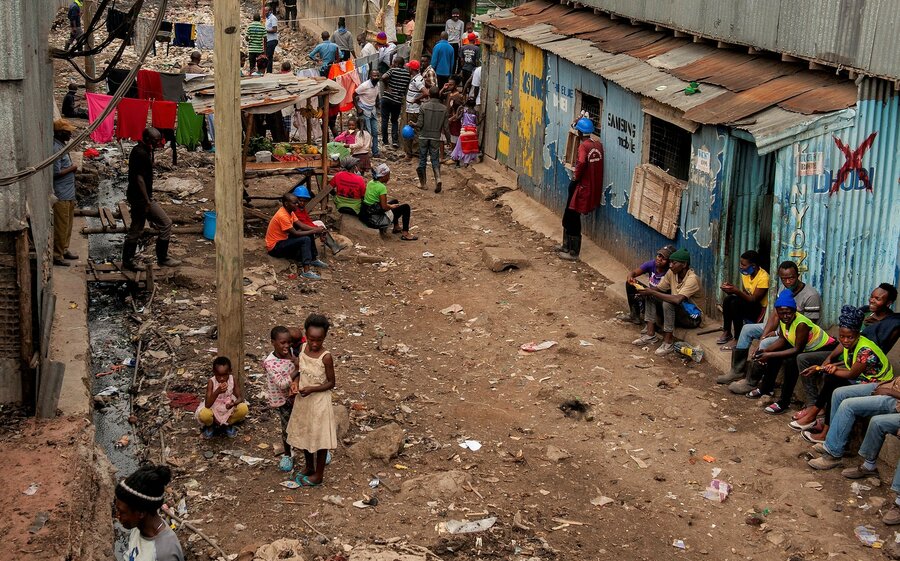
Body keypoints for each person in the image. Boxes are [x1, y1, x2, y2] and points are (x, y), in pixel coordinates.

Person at [791, 283, 899, 425]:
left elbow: (867, 358)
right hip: (846, 357)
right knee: (803, 359)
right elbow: (845, 338)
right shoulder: (863, 313)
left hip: (862, 365)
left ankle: (818, 414)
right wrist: (829, 359)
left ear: (889, 303)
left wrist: (832, 366)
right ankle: (813, 405)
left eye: (878, 299)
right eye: (872, 297)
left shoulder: (891, 324)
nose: (872, 300)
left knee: (831, 378)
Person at [721, 261, 822, 391]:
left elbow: (807, 328)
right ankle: (737, 370)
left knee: (765, 345)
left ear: (798, 275)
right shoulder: (783, 289)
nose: (788, 282)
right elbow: (775, 315)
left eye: (791, 278)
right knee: (747, 330)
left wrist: (774, 334)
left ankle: (751, 382)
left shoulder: (811, 296)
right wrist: (763, 336)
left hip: (797, 336)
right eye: (784, 279)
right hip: (783, 328)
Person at [746, 290, 837, 415]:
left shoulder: (801, 324)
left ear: (795, 311)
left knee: (792, 362)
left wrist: (769, 354)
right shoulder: (784, 321)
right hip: (806, 349)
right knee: (775, 354)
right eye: (782, 313)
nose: (785, 316)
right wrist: (765, 351)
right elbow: (782, 340)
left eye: (789, 313)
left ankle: (784, 401)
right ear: (777, 313)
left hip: (825, 350)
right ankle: (766, 388)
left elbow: (797, 349)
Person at [807, 366, 897, 477]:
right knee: (839, 393)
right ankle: (835, 442)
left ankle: (832, 455)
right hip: (890, 385)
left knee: (848, 405)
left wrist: (890, 392)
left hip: (896, 398)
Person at [287, 313, 337, 486]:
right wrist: (295, 382)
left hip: (319, 402)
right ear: (306, 336)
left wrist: (312, 389)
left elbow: (331, 383)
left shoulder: (326, 357)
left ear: (324, 338)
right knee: (305, 434)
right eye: (311, 339)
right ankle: (309, 467)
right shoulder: (302, 349)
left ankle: (319, 474)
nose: (314, 344)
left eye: (319, 340)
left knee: (320, 438)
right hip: (303, 399)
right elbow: (300, 370)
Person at [123, 127, 181, 271]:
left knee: (136, 228)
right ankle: (161, 258)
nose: (158, 143)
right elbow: (139, 178)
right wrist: (148, 202)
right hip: (140, 198)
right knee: (164, 223)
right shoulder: (141, 153)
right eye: (156, 140)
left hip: (139, 196)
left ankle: (129, 259)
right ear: (148, 139)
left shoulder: (144, 150)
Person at [633, 249, 703, 355]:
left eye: (674, 263)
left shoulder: (692, 279)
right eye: (670, 262)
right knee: (650, 295)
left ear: (684, 264)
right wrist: (645, 292)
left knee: (668, 302)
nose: (670, 265)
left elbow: (677, 299)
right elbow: (659, 289)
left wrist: (652, 292)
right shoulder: (672, 273)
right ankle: (650, 335)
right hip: (679, 312)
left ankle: (668, 343)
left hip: (692, 318)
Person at [115, 465, 184, 561]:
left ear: (141, 513)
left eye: (122, 512)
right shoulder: (138, 528)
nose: (117, 516)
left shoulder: (164, 554)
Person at [558, 117, 603, 261]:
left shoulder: (584, 146)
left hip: (581, 186)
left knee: (572, 216)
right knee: (570, 215)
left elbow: (582, 162)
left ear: (580, 132)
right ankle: (566, 246)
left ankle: (573, 252)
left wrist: (575, 176)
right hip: (590, 187)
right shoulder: (598, 145)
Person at [265, 193, 328, 280]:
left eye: (297, 202)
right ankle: (306, 271)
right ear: (287, 204)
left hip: (283, 240)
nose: (297, 204)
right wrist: (314, 230)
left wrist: (316, 228)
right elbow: (295, 233)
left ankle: (313, 259)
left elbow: (301, 225)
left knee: (308, 233)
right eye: (294, 203)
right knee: (305, 239)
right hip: (275, 247)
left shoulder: (290, 212)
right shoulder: (282, 215)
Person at [718, 250, 769, 348]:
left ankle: (738, 338)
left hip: (759, 309)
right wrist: (731, 290)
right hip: (749, 304)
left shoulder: (764, 277)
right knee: (728, 299)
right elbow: (746, 293)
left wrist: (736, 291)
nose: (741, 266)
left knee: (735, 304)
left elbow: (754, 300)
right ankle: (727, 331)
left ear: (753, 266)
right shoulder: (746, 274)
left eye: (743, 264)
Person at [265, 325, 299, 472]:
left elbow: (301, 335)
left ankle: (315, 450)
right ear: (273, 342)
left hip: (298, 396)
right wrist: (298, 369)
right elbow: (282, 383)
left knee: (305, 422)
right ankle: (287, 454)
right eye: (282, 343)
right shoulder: (270, 363)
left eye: (288, 342)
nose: (286, 346)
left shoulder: (292, 352)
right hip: (283, 400)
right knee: (286, 427)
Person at [196, 356, 249, 439]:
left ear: (230, 371)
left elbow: (240, 398)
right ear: (214, 372)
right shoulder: (211, 382)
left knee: (244, 408)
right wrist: (217, 392)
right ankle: (212, 425)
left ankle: (227, 424)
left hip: (228, 408)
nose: (222, 379)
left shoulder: (232, 379)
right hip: (214, 407)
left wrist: (233, 403)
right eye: (219, 375)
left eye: (225, 375)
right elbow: (207, 405)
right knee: (204, 415)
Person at [361, 163, 417, 240]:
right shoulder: (381, 187)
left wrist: (391, 206)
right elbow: (384, 207)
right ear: (383, 176)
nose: (389, 178)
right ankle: (405, 234)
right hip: (376, 219)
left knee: (395, 201)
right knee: (406, 207)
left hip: (368, 212)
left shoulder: (371, 182)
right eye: (388, 175)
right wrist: (391, 206)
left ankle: (396, 227)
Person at [624, 245, 676, 324]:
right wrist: (630, 276)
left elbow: (665, 293)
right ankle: (634, 316)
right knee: (630, 284)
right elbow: (634, 272)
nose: (659, 259)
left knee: (651, 295)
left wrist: (646, 293)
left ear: (670, 262)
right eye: (659, 256)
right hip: (650, 294)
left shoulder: (670, 272)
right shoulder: (652, 264)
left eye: (664, 258)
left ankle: (652, 325)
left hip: (661, 299)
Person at [51, 120, 79, 267]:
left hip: (68, 193)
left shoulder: (62, 146)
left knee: (68, 225)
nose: (70, 134)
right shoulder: (56, 148)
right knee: (61, 226)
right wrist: (72, 168)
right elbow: (55, 173)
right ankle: (57, 254)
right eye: (67, 132)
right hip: (61, 193)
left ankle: (64, 249)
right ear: (60, 133)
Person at [413, 87, 449, 193]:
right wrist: (448, 140)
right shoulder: (444, 108)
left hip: (424, 136)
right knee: (435, 159)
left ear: (429, 95)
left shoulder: (423, 107)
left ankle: (423, 183)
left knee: (422, 159)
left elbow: (419, 124)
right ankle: (438, 178)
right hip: (435, 137)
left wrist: (413, 124)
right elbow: (446, 128)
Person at [290, 185, 344, 255]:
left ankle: (334, 246)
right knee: (318, 228)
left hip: (302, 226)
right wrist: (316, 229)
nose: (302, 203)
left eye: (304, 201)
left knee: (319, 223)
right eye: (300, 200)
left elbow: (307, 220)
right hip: (296, 229)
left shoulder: (301, 208)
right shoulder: (295, 210)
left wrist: (317, 228)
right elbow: (303, 224)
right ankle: (333, 247)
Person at [381, 57, 409, 149]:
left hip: (387, 98)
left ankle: (385, 141)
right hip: (397, 100)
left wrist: (387, 86)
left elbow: (383, 77)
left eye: (393, 62)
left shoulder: (392, 70)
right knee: (394, 121)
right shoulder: (407, 74)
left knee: (385, 120)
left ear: (396, 63)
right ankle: (395, 141)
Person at [353, 69, 380, 158]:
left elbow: (376, 96)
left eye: (377, 75)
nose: (376, 77)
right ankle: (365, 152)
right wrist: (358, 108)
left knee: (375, 132)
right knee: (367, 133)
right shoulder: (364, 86)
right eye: (374, 76)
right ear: (370, 77)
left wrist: (377, 104)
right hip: (364, 110)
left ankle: (375, 152)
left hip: (372, 110)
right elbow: (354, 95)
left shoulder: (377, 84)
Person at [403, 60, 427, 158]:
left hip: (414, 110)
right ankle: (414, 152)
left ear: (411, 69)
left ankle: (413, 153)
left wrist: (416, 99)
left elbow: (426, 92)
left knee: (411, 131)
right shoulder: (418, 78)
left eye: (409, 67)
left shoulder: (417, 80)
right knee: (413, 130)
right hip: (413, 109)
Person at [265, 4, 279, 73]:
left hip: (272, 40)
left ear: (270, 11)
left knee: (269, 56)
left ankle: (269, 72)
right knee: (268, 56)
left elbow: (274, 29)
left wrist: (265, 31)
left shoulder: (273, 18)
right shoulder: (267, 19)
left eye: (266, 11)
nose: (265, 12)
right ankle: (268, 71)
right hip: (269, 40)